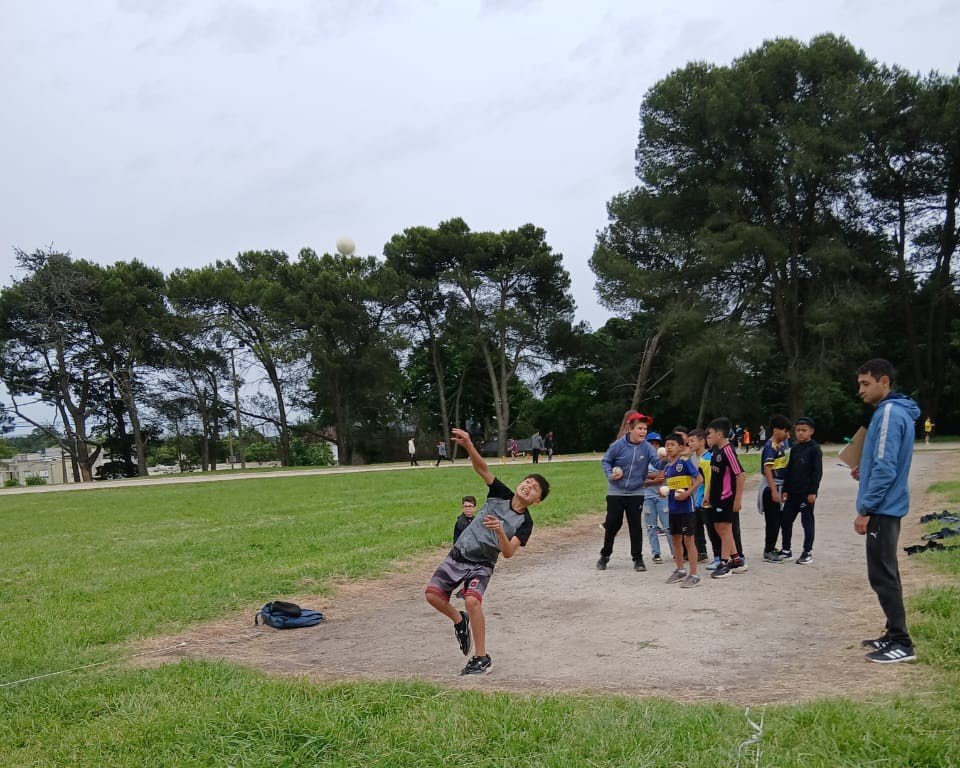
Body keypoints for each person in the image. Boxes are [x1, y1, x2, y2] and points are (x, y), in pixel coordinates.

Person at [425, 428, 549, 676]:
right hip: (460, 553)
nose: (528, 486)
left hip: (483, 563)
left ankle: (481, 658)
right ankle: (459, 620)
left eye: (535, 488)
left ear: (536, 501)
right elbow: (482, 469)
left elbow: (509, 552)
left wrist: (501, 531)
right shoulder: (501, 493)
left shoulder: (525, 523)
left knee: (472, 601)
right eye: (527, 481)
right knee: (432, 596)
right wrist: (469, 445)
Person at [853, 358, 920, 664]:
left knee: (883, 575)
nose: (860, 390)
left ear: (884, 382)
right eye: (859, 384)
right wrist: (863, 470)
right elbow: (881, 462)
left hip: (882, 509)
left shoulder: (889, 413)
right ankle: (893, 634)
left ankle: (902, 643)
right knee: (884, 572)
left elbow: (885, 466)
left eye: (865, 383)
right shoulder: (895, 411)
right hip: (888, 506)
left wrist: (866, 508)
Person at [597, 411, 659, 572]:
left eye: (645, 429)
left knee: (635, 526)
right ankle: (605, 555)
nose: (643, 432)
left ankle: (638, 559)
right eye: (640, 428)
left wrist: (666, 459)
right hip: (616, 492)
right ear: (631, 429)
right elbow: (606, 461)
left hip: (636, 492)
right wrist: (610, 475)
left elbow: (658, 464)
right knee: (612, 523)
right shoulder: (618, 445)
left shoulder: (647, 447)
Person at [706, 417, 747, 579]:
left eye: (710, 433)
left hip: (726, 497)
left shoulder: (728, 450)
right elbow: (713, 475)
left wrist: (737, 500)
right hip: (716, 497)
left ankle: (724, 564)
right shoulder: (716, 450)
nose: (709, 436)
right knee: (720, 528)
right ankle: (737, 560)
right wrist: (708, 494)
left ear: (719, 434)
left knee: (724, 529)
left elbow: (741, 475)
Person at [662, 433, 703, 588]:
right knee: (675, 540)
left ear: (680, 447)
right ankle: (680, 570)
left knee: (688, 540)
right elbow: (670, 487)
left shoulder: (684, 462)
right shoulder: (667, 468)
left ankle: (694, 574)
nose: (669, 447)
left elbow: (699, 479)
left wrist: (687, 493)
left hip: (686, 508)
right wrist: (663, 492)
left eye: (672, 444)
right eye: (667, 445)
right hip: (673, 509)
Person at [780, 417, 822, 565]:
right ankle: (786, 549)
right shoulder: (795, 448)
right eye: (798, 430)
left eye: (804, 430)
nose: (800, 433)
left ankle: (807, 551)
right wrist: (785, 489)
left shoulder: (815, 449)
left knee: (807, 522)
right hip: (792, 492)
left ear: (811, 431)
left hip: (806, 493)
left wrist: (813, 492)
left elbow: (817, 472)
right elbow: (789, 470)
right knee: (786, 520)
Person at [759, 414, 792, 563]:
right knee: (772, 521)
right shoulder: (770, 447)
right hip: (771, 488)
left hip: (779, 486)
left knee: (777, 520)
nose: (788, 435)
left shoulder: (780, 446)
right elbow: (767, 470)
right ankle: (768, 550)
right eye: (785, 431)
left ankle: (771, 547)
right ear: (776, 431)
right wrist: (773, 490)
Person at [642, 432, 671, 564]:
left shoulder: (665, 459)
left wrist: (649, 477)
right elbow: (639, 477)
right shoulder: (642, 459)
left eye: (656, 444)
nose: (654, 446)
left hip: (662, 496)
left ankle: (675, 552)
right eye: (651, 443)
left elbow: (664, 476)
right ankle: (656, 553)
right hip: (647, 496)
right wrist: (654, 478)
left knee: (668, 526)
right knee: (651, 526)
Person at [687, 429, 713, 563]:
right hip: (694, 498)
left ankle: (719, 554)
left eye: (692, 441)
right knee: (696, 526)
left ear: (702, 442)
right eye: (688, 441)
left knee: (711, 527)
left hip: (706, 498)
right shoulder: (691, 459)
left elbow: (709, 479)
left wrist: (707, 496)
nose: (689, 444)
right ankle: (701, 552)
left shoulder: (708, 457)